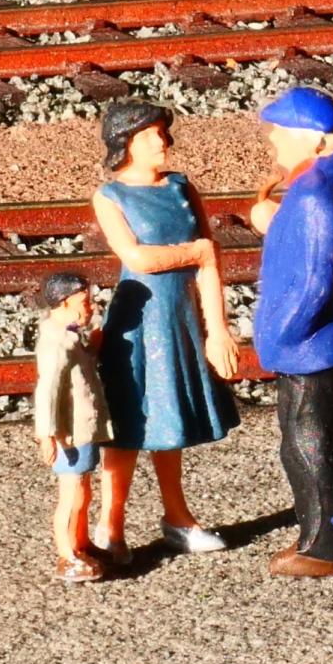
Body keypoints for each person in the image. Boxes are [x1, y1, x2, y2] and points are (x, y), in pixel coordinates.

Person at [90, 100, 241, 565]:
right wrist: (196, 253)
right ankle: (109, 526)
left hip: (179, 320)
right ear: (126, 143)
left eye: (162, 131)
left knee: (168, 420)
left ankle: (178, 517)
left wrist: (218, 331)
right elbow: (138, 260)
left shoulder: (181, 186)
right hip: (137, 324)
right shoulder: (110, 196)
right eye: (151, 133)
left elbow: (211, 262)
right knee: (128, 427)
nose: (163, 140)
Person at [248, 86, 333, 579]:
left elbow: (311, 282)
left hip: (310, 344)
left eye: (284, 131)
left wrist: (277, 338)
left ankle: (324, 547)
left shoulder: (312, 195)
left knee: (307, 440)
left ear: (318, 142)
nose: (274, 140)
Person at [32, 270, 112, 584]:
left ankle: (81, 544)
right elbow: (48, 390)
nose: (90, 307)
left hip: (84, 427)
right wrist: (46, 434)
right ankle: (67, 555)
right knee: (71, 495)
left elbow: (84, 363)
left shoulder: (69, 333)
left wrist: (93, 343)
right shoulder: (56, 343)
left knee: (83, 491)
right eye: (84, 302)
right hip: (70, 433)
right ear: (64, 303)